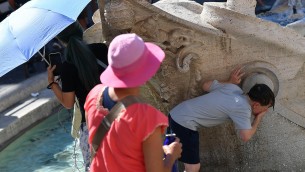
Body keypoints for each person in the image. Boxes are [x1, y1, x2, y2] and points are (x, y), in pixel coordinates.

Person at [84, 33, 182, 172]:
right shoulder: (145, 117)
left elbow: (114, 146)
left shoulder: (94, 95)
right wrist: (171, 155)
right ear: (145, 71)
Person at [168, 67, 275, 172]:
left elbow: (205, 85)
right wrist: (258, 118)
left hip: (176, 113)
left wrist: (229, 81)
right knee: (193, 167)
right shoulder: (243, 109)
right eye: (265, 109)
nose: (265, 111)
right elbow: (245, 136)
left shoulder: (233, 88)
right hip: (184, 123)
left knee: (171, 158)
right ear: (256, 105)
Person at [47, 21, 107, 171]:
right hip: (115, 116)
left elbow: (68, 103)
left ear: (61, 41)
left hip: (91, 124)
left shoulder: (68, 66)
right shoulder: (101, 49)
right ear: (81, 31)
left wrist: (53, 84)